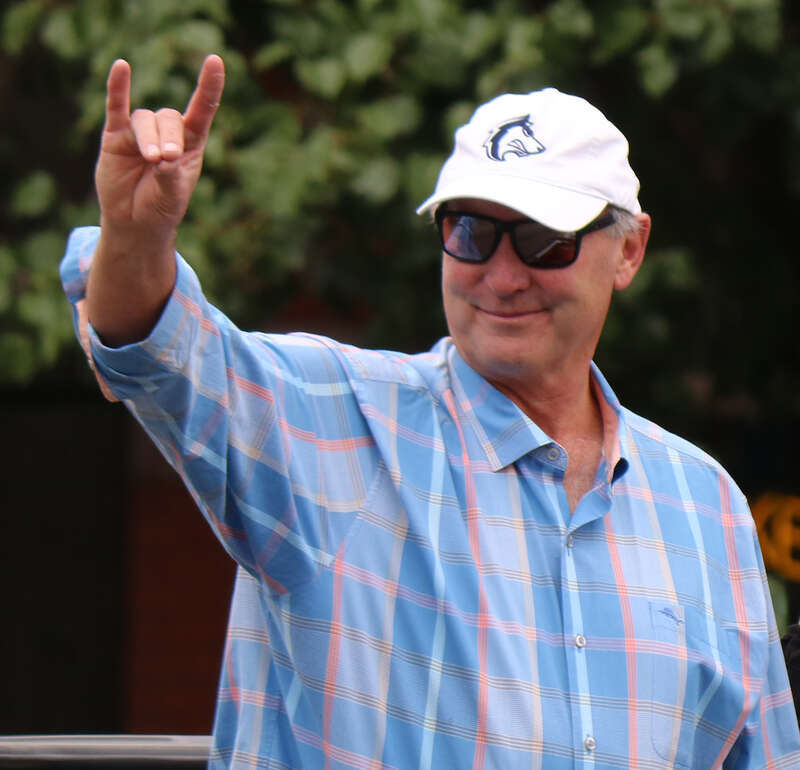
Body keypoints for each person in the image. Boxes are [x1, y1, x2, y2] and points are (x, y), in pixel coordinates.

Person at [60, 54, 800, 768]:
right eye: (471, 233)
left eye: (545, 242)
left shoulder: (707, 506)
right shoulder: (331, 425)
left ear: (630, 250)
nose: (503, 276)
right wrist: (136, 237)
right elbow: (162, 351)